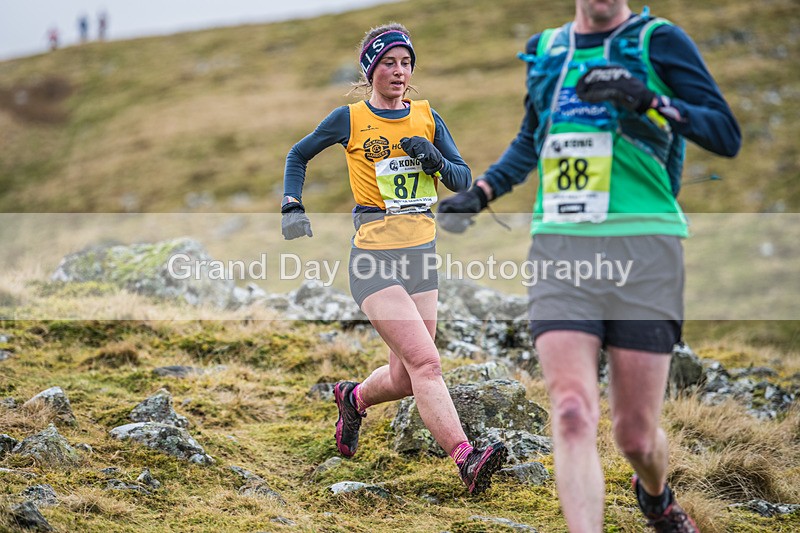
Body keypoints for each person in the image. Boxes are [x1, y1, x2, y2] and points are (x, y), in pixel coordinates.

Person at [437, 0, 740, 530]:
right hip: (561, 251)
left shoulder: (658, 41)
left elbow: (725, 134)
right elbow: (531, 142)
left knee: (635, 436)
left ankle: (656, 497)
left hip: (645, 253)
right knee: (573, 413)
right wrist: (481, 192)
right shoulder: (549, 53)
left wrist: (648, 99)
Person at [281, 22, 507, 495]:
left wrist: (434, 159)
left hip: (420, 256)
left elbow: (463, 180)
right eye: (389, 63)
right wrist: (292, 205)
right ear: (371, 70)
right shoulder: (349, 119)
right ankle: (466, 458)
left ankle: (354, 397)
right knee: (427, 361)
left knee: (407, 376)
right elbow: (298, 155)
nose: (399, 71)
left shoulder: (427, 116)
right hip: (373, 260)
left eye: (406, 63)